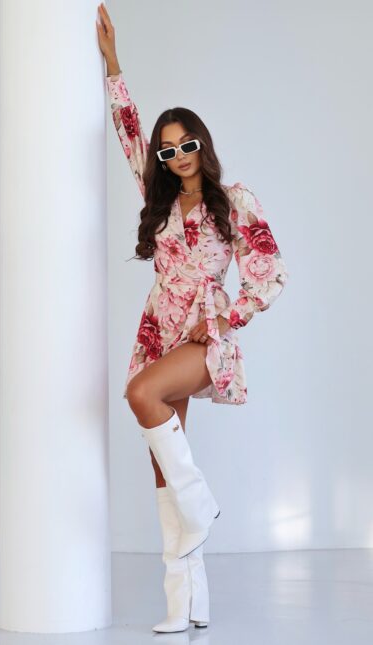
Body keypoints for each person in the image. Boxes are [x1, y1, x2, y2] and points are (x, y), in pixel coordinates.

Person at [96, 2, 288, 634]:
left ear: (203, 144)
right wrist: (114, 66)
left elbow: (270, 272)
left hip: (205, 334)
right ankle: (186, 604)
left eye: (187, 144)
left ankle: (201, 503)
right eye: (169, 149)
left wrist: (226, 319)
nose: (177, 154)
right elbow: (128, 132)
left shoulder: (234, 200)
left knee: (140, 395)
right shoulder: (159, 199)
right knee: (162, 468)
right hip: (160, 327)